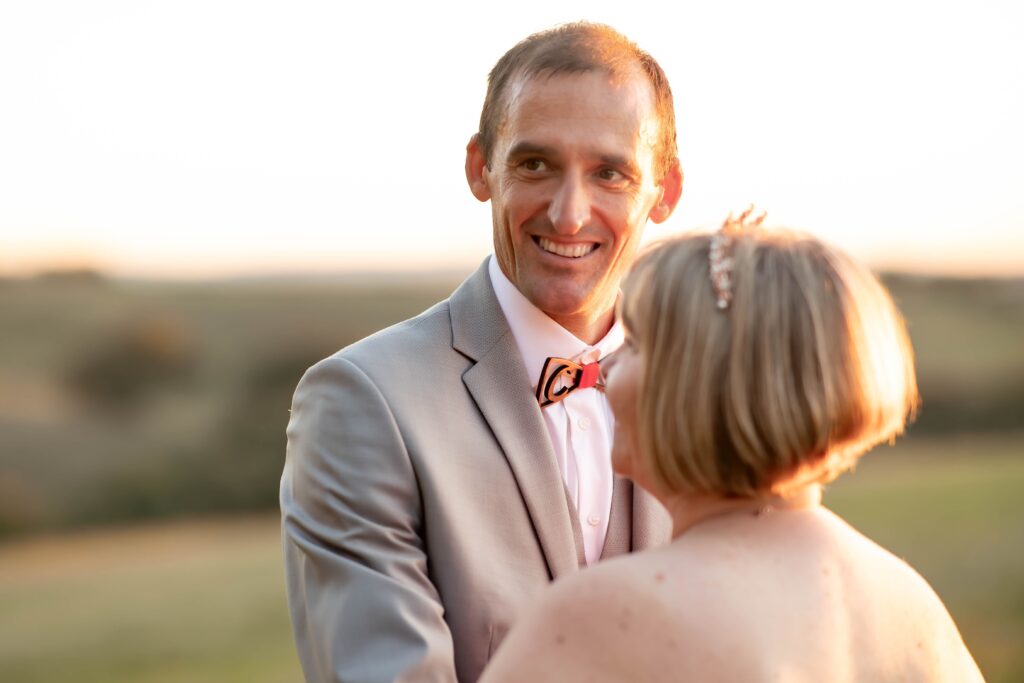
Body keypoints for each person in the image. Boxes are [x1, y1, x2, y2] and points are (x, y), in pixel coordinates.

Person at [280, 22, 683, 682]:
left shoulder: (706, 386)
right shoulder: (361, 399)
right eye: (536, 164)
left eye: (609, 172)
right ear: (480, 167)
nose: (569, 213)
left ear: (663, 192)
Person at [480, 211, 985, 682]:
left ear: (702, 380)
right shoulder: (912, 607)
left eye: (634, 345)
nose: (605, 371)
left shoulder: (601, 616)